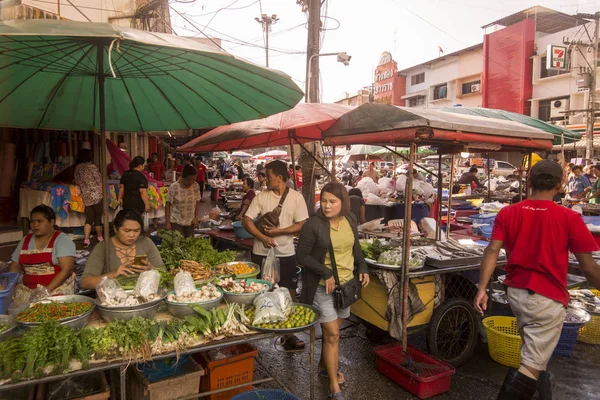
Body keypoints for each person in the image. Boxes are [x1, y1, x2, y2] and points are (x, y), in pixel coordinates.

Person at [473, 161, 600, 400]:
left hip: (516, 295)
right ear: (560, 185)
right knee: (532, 363)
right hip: (547, 300)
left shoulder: (508, 212)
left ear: (529, 181)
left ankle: (544, 393)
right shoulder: (569, 218)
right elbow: (590, 269)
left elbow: (491, 250)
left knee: (533, 353)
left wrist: (481, 288)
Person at [297, 183, 370, 400]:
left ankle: (323, 366)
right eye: (324, 201)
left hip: (345, 287)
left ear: (343, 203)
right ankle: (333, 385)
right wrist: (325, 271)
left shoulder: (350, 219)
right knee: (333, 335)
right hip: (322, 287)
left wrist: (363, 267)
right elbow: (301, 256)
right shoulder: (313, 225)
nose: (326, 206)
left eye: (332, 202)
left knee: (333, 335)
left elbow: (355, 246)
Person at [243, 160, 309, 351]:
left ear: (279, 177)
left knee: (289, 291)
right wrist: (262, 236)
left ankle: (289, 334)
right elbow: (247, 220)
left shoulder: (296, 198)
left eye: (269, 175)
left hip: (286, 253)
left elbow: (301, 224)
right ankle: (254, 328)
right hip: (260, 252)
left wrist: (279, 232)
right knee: (258, 290)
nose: (265, 179)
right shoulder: (261, 197)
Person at [81, 210, 164, 289]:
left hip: (146, 295)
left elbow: (165, 274)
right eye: (127, 231)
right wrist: (112, 274)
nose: (132, 235)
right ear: (115, 229)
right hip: (113, 299)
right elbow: (85, 282)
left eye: (136, 231)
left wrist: (152, 269)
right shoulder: (103, 248)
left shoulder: (146, 243)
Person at [9, 205, 76, 301]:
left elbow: (67, 269)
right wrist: (10, 285)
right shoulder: (26, 240)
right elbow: (14, 266)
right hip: (27, 289)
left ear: (51, 222)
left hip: (55, 289)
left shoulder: (62, 239)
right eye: (32, 221)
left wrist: (46, 291)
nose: (35, 225)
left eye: (40, 221)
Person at [73, 149, 104, 247]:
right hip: (97, 195)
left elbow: (77, 182)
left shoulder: (77, 168)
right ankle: (100, 238)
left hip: (86, 196)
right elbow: (99, 180)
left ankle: (86, 240)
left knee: (89, 218)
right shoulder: (92, 167)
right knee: (98, 217)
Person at [165, 165, 201, 238]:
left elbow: (197, 202)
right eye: (189, 180)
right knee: (179, 244)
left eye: (194, 180)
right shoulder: (174, 187)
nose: (191, 182)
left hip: (190, 221)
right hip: (176, 221)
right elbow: (167, 205)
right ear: (183, 177)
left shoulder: (195, 186)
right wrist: (167, 222)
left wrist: (196, 217)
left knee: (190, 243)